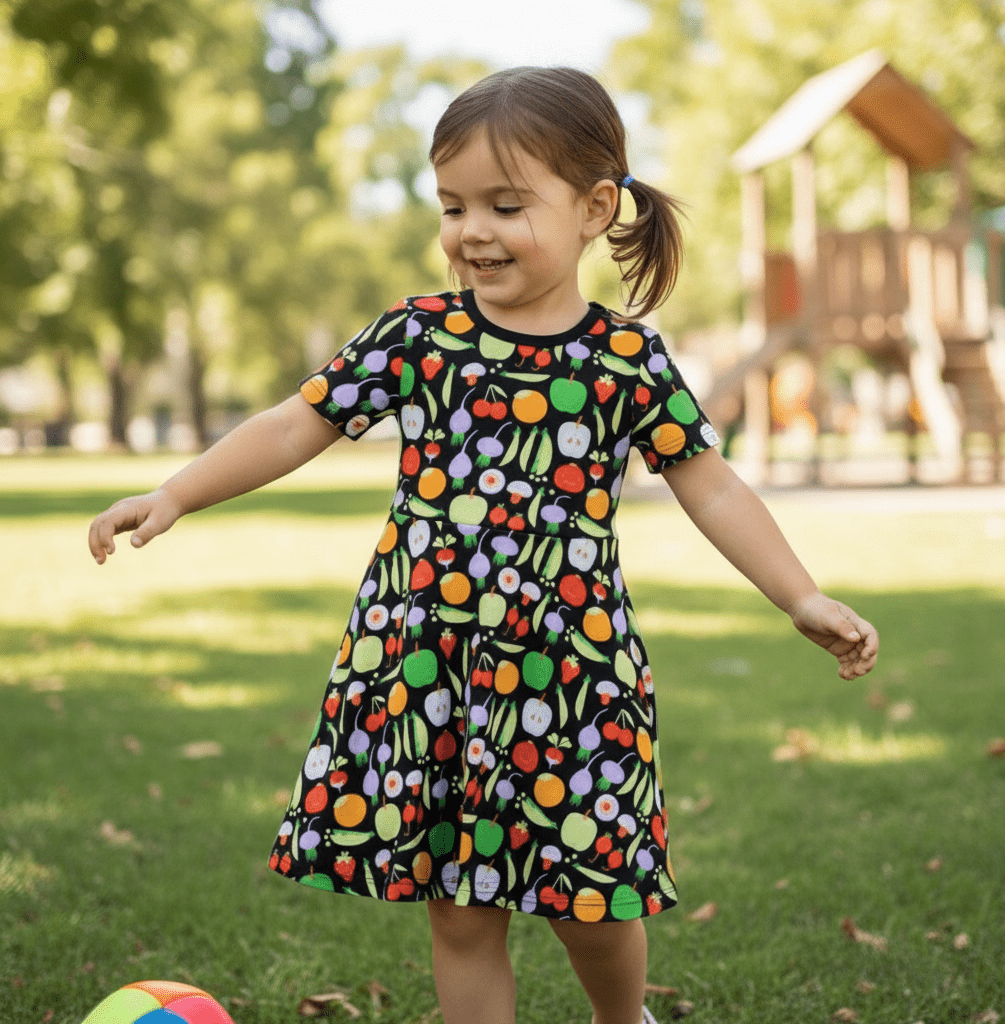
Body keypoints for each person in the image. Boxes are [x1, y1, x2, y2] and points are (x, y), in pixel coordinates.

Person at [88, 66, 878, 1024]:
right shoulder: (420, 333)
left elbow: (710, 483)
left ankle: (623, 1017)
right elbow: (297, 423)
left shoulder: (626, 359)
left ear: (595, 208)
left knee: (592, 896)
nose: (473, 230)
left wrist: (799, 595)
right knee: (461, 906)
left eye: (506, 205)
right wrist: (175, 493)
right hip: (427, 667)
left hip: (572, 672)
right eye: (452, 205)